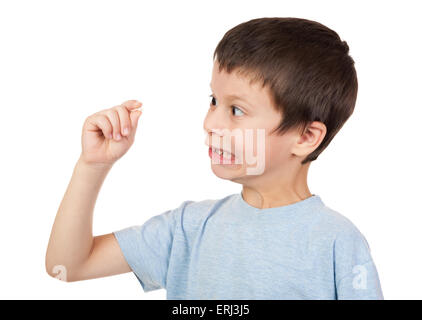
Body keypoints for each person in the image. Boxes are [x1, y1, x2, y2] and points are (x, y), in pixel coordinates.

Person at [45, 17, 383, 299]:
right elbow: (66, 267)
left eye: (236, 109)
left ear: (305, 137)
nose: (211, 124)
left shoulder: (337, 242)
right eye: (213, 101)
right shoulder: (189, 228)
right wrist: (93, 165)